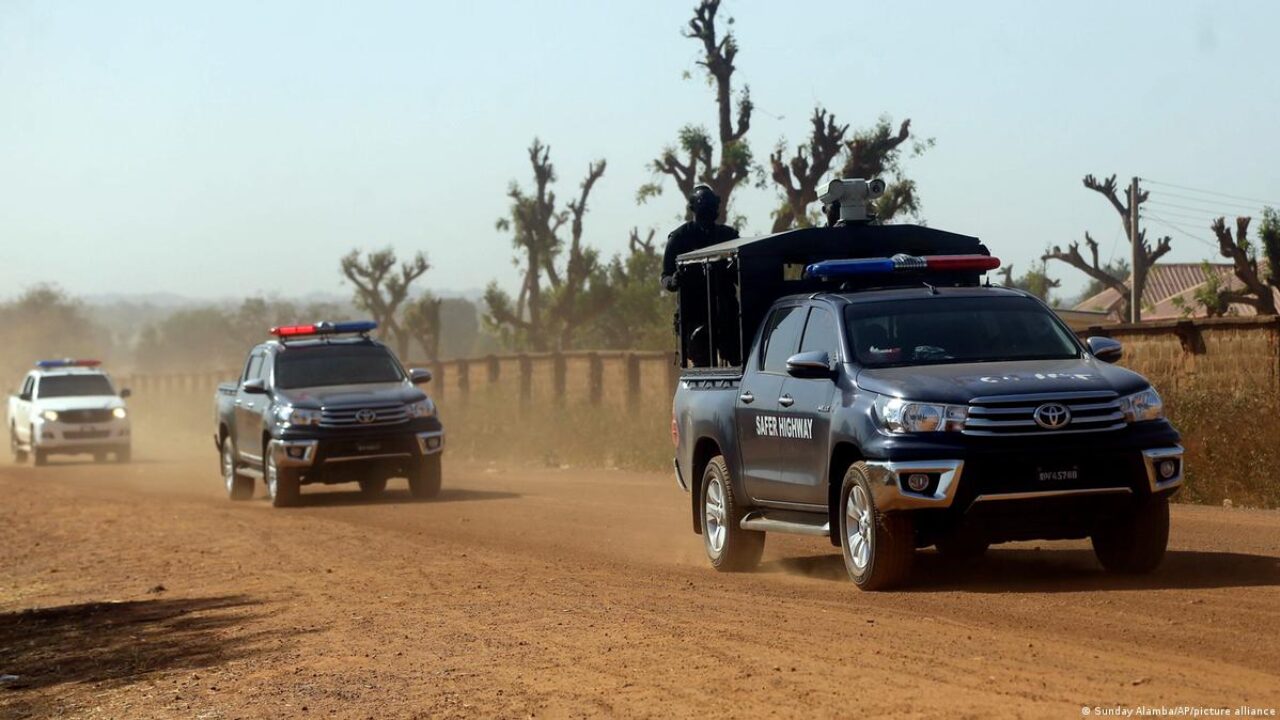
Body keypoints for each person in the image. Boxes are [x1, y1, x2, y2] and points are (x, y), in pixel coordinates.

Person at [660, 185, 739, 292]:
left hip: (726, 305)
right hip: (692, 306)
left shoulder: (728, 236)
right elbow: (666, 276)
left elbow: (742, 275)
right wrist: (672, 281)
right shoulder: (679, 237)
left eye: (711, 207)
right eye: (705, 208)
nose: (708, 212)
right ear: (693, 209)